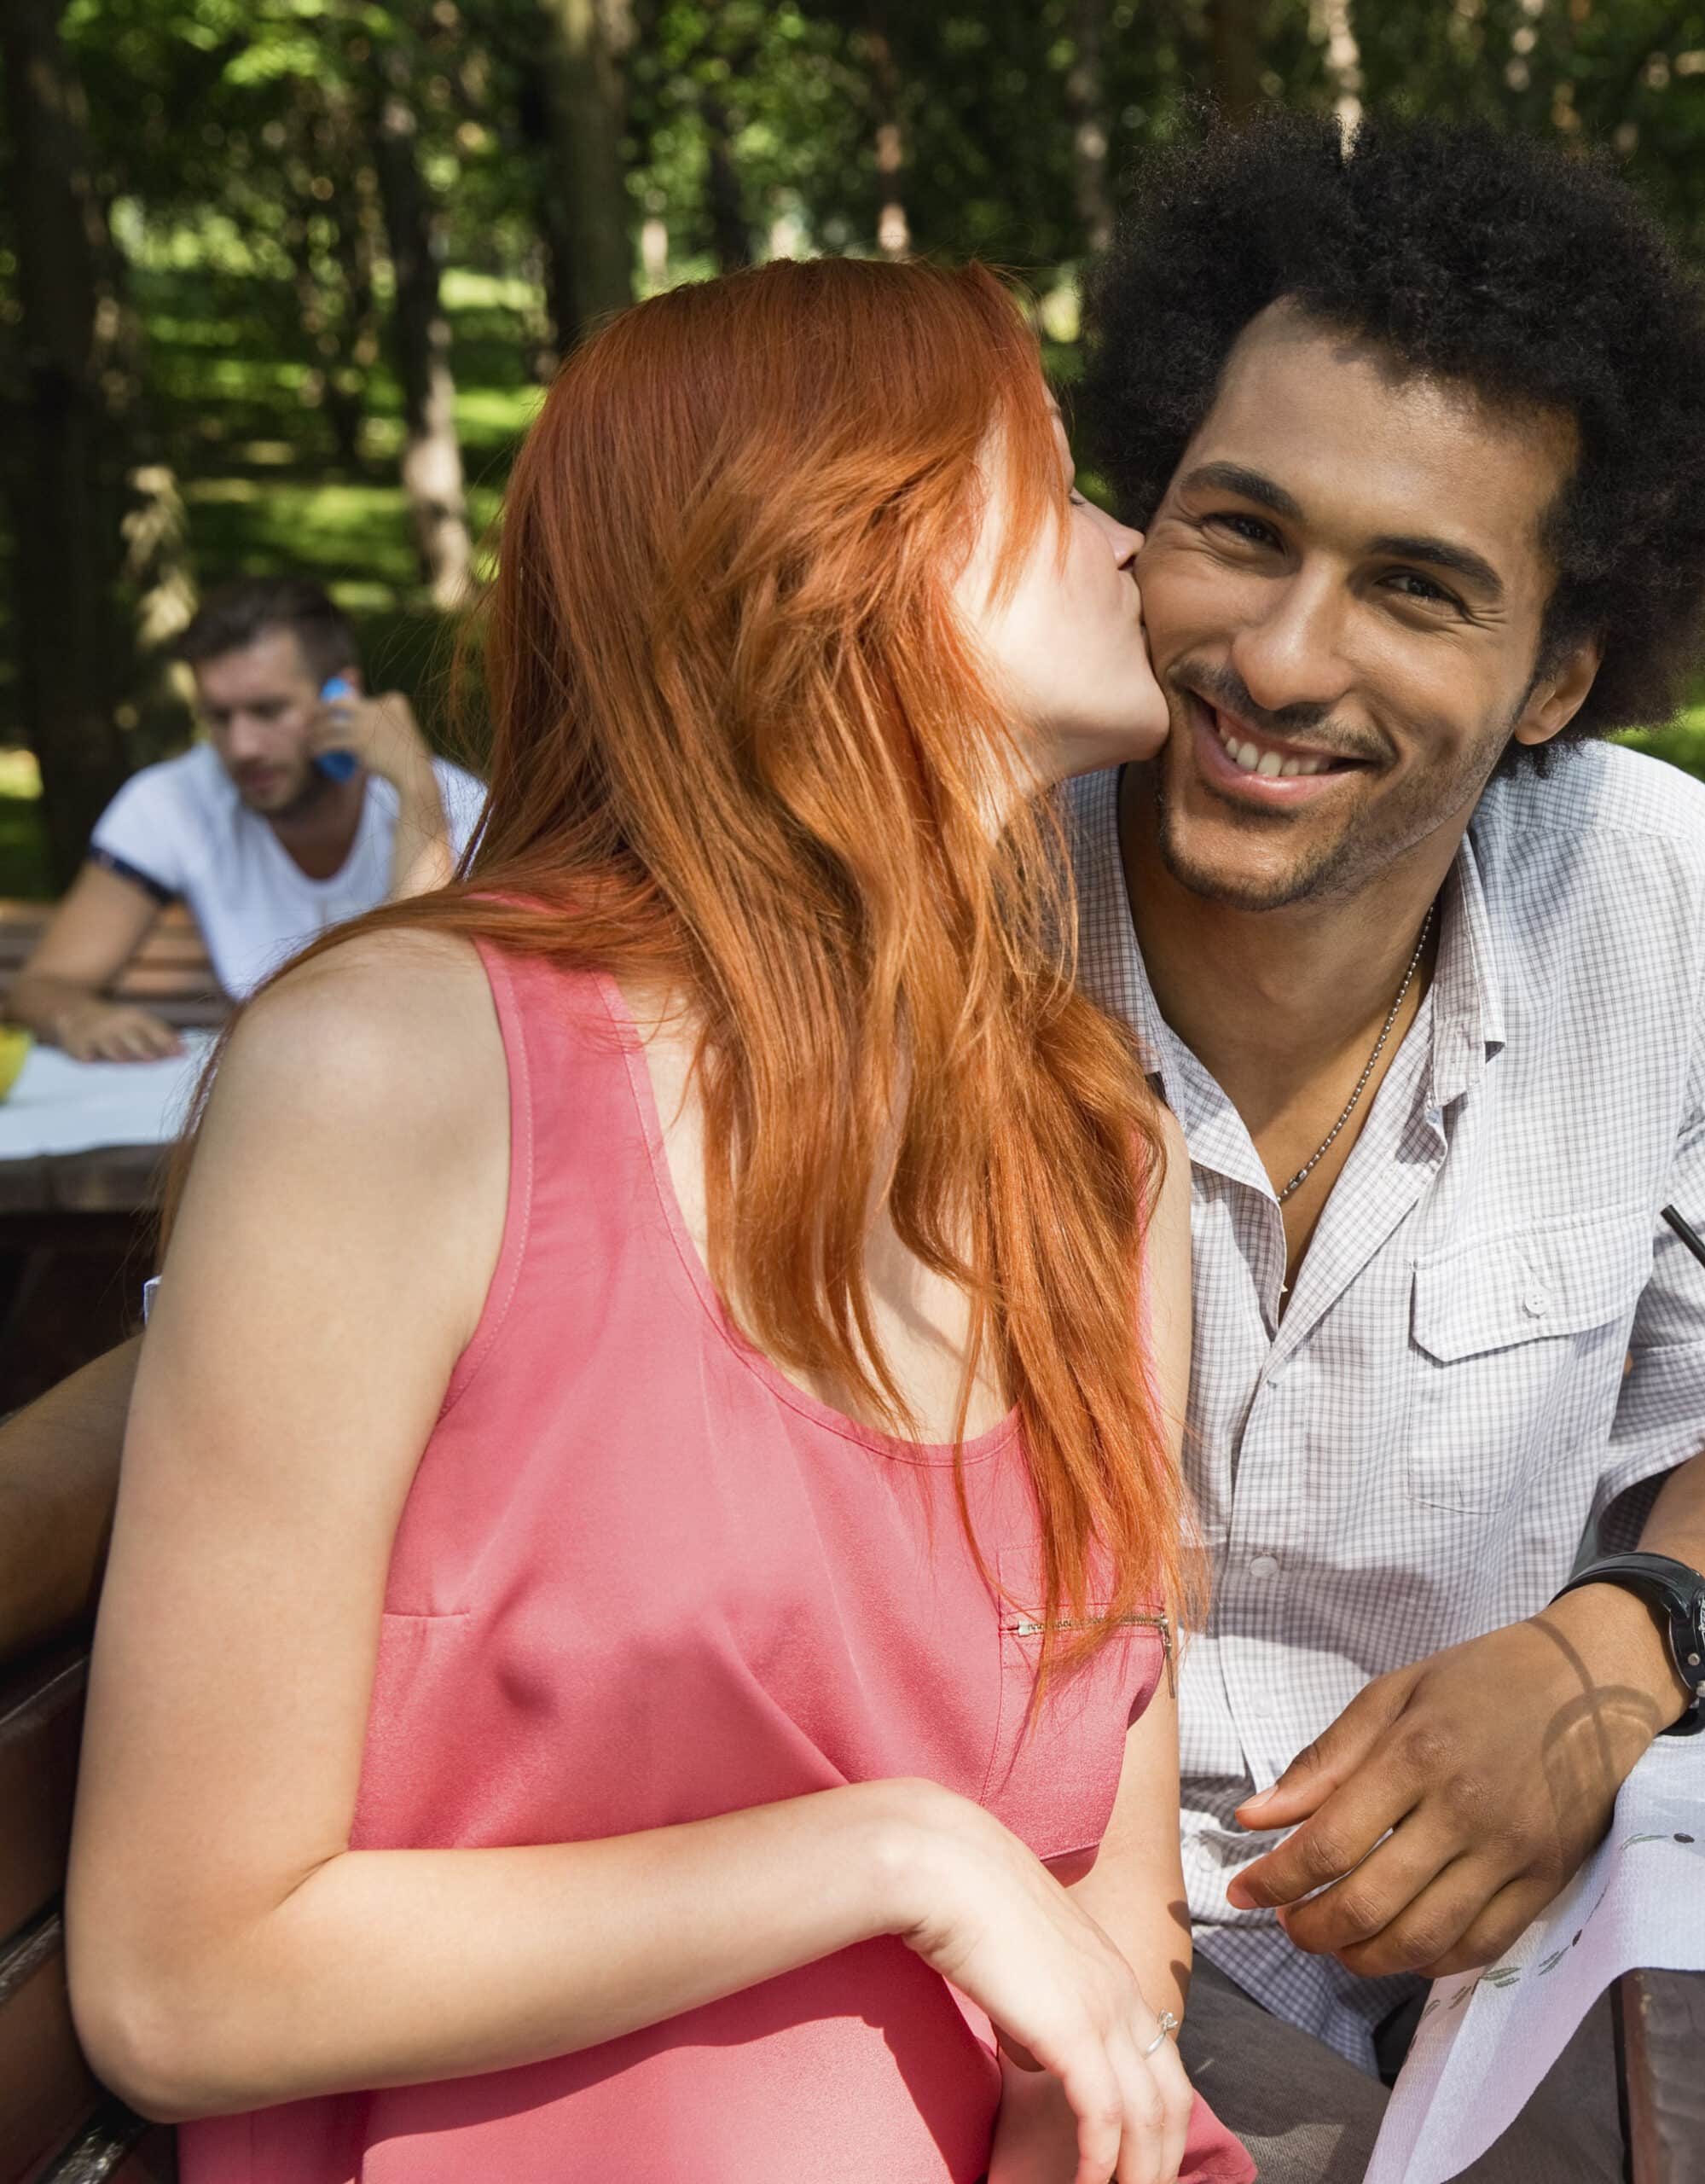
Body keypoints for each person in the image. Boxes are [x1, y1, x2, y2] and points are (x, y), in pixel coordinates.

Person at [65, 264, 1248, 2184]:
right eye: (1048, 474)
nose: (1137, 545)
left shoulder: (1091, 1151)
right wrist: (898, 1851)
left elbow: (1115, 1929)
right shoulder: (399, 1076)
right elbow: (183, 1976)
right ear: (818, 550)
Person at [1056, 113, 1705, 2178]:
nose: (1276, 658)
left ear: (1557, 676)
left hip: (1525, 1942)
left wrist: (1608, 1655)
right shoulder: (937, 865)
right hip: (1042, 1950)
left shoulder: (1638, 885)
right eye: (1238, 530)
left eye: (1416, 589)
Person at [5, 578, 486, 1060]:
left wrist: (417, 787)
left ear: (344, 694)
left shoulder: (462, 806)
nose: (242, 747)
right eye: (218, 716)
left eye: (268, 710)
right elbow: (45, 984)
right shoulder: (173, 800)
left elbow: (422, 995)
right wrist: (81, 1017)